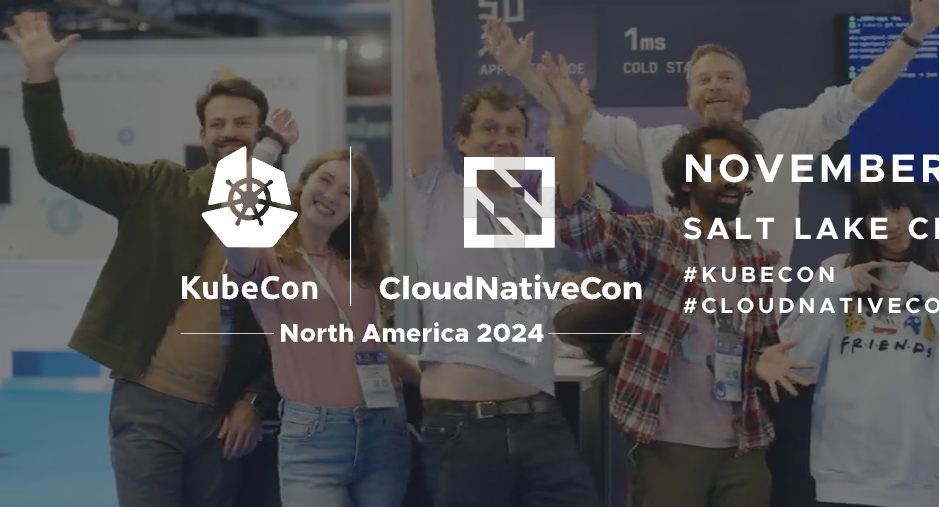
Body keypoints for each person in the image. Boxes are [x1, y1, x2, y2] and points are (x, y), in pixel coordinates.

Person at [5, 11, 290, 507]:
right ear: (201, 135)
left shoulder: (284, 218)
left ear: (260, 133)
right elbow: (60, 164)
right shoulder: (157, 186)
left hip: (226, 418)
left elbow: (286, 327)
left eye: (242, 123)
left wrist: (253, 401)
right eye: (216, 123)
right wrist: (40, 78)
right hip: (147, 402)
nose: (228, 132)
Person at [494, 0, 939, 300]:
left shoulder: (785, 133)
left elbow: (860, 93)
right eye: (703, 80)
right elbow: (580, 118)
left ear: (745, 95)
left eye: (725, 77)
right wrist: (524, 73)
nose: (714, 85)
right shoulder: (662, 145)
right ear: (690, 98)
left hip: (761, 322)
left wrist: (914, 34)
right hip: (678, 318)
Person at [541, 52, 815, 507]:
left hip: (744, 446)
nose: (730, 178)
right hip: (669, 445)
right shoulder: (658, 240)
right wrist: (572, 127)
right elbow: (577, 222)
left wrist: (764, 360)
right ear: (686, 182)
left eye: (738, 169)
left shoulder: (759, 261)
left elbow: (760, 346)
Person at [403, 1, 600, 505]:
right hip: (463, 426)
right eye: (490, 129)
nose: (504, 140)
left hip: (541, 419)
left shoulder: (534, 212)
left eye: (514, 131)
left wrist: (569, 118)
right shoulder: (436, 190)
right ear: (462, 140)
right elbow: (421, 78)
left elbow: (579, 173)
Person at [776, 175, 939, 507]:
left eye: (898, 207)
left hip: (926, 477)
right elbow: (799, 365)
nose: (890, 223)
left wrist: (933, 287)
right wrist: (836, 288)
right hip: (845, 475)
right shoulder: (835, 273)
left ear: (915, 210)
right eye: (874, 213)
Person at [223, 147, 420, 507]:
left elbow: (368, 346)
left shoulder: (355, 266)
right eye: (325, 181)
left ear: (354, 210)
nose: (331, 195)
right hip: (314, 437)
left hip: (385, 429)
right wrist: (267, 151)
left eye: (346, 193)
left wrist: (427, 379)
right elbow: (232, 215)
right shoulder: (265, 258)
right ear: (304, 185)